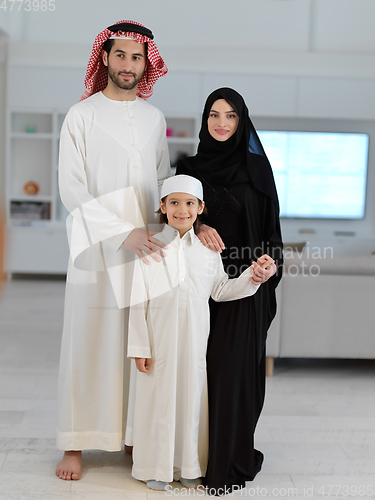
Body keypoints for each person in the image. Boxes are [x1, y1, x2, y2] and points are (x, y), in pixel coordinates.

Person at [55, 20, 170, 481]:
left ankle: (129, 432)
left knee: (138, 343)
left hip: (147, 249)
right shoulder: (80, 116)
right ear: (104, 57)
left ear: (147, 63)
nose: (128, 65)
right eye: (120, 55)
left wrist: (165, 233)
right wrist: (123, 232)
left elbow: (160, 184)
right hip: (96, 248)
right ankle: (75, 443)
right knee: (88, 341)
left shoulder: (153, 118)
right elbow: (72, 189)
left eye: (137, 57)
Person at [127, 174, 270, 491]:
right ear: (163, 207)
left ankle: (189, 464)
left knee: (192, 401)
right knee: (158, 402)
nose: (182, 210)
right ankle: (157, 467)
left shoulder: (207, 251)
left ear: (201, 207)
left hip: (194, 341)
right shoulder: (151, 247)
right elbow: (137, 301)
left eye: (189, 203)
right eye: (174, 203)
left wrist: (252, 278)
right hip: (158, 341)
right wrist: (140, 346)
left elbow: (220, 290)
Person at [176, 88, 283, 495]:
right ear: (204, 119)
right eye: (214, 115)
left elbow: (273, 234)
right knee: (197, 373)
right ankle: (193, 457)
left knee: (230, 370)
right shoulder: (189, 168)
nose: (221, 123)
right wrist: (198, 226)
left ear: (242, 122)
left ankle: (228, 462)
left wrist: (269, 265)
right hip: (198, 282)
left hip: (248, 283)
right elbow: (176, 212)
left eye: (231, 116)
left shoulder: (258, 169)